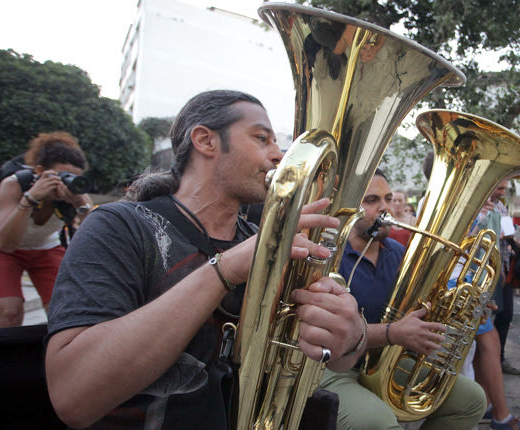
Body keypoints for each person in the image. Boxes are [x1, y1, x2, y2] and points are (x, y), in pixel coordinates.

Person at [44, 90, 367, 429]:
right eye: (262, 138)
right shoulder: (118, 225)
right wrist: (223, 271)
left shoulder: (262, 240)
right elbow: (73, 396)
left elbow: (326, 359)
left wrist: (350, 337)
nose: (279, 155)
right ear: (205, 141)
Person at [319, 169, 486, 430]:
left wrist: (461, 309)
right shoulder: (329, 254)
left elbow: (418, 310)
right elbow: (329, 337)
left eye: (386, 198)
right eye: (371, 200)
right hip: (332, 367)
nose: (384, 208)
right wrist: (393, 333)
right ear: (349, 205)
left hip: (385, 359)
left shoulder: (399, 251)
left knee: (472, 400)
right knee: (378, 422)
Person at [0, 131, 93, 328]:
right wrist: (30, 199)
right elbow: (7, 244)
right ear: (39, 171)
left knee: (67, 308)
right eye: (60, 176)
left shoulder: (76, 193)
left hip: (46, 249)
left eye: (72, 177)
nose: (66, 182)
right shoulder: (14, 185)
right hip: (1, 249)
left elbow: (97, 234)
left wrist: (80, 205)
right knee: (8, 311)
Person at [464, 180, 520, 430]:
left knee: (487, 340)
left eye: (504, 188)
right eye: (499, 186)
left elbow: (496, 243)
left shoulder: (498, 208)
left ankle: (490, 407)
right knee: (487, 340)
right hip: (464, 279)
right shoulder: (473, 206)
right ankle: (497, 413)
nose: (501, 192)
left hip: (483, 278)